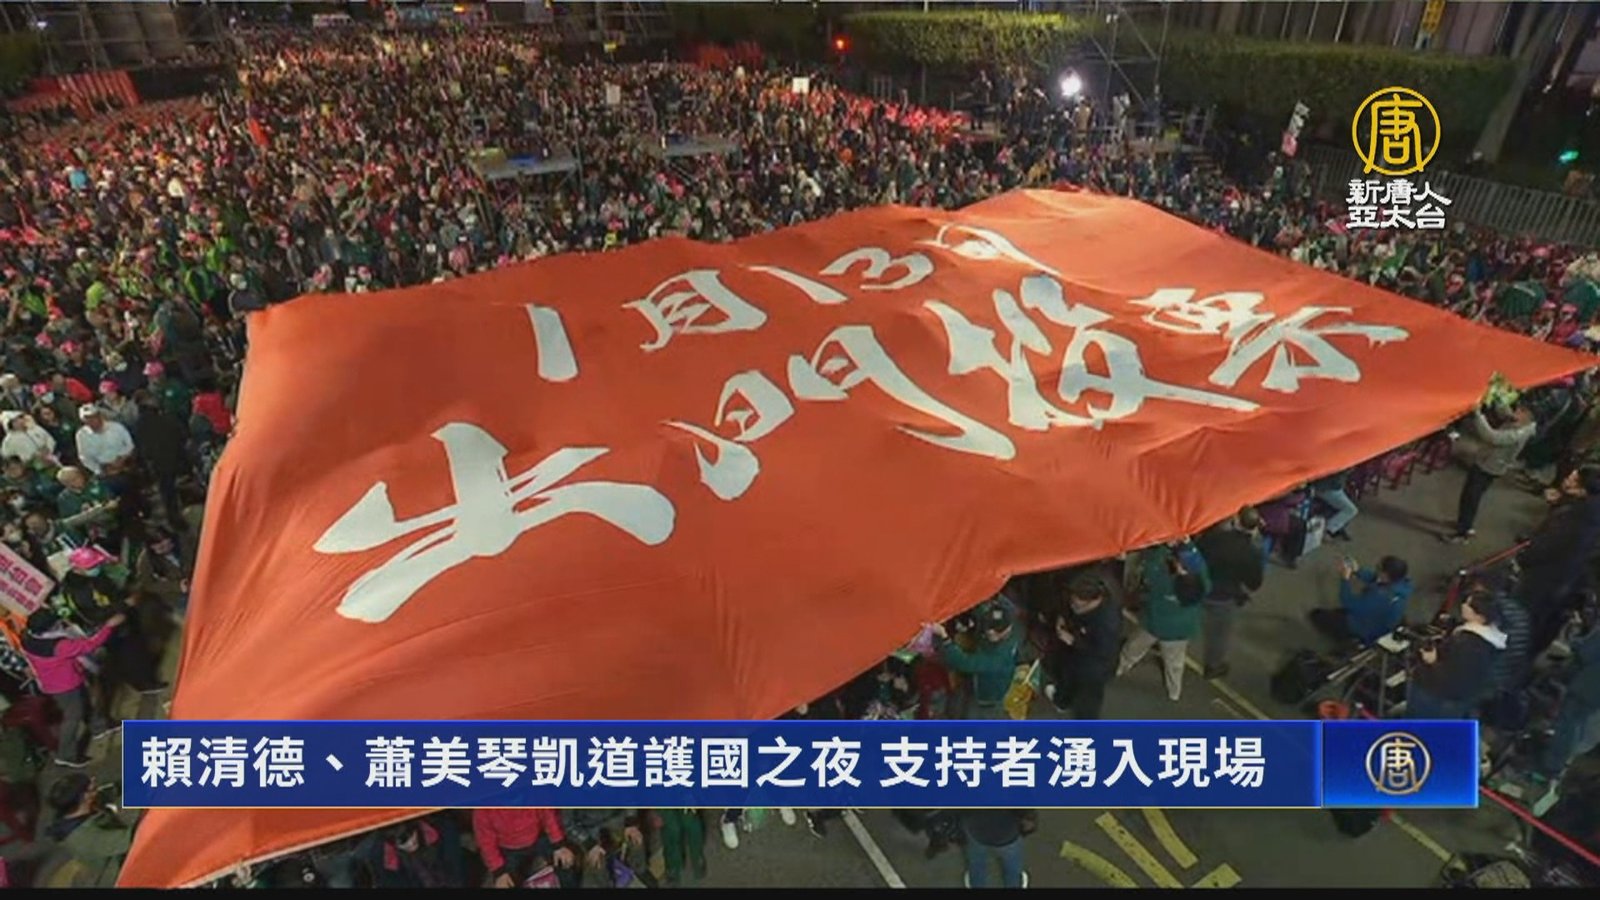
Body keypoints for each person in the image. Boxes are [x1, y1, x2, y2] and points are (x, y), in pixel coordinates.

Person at [18, 608, 122, 767]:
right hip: (65, 686)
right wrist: (109, 626)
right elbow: (89, 645)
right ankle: (65, 755)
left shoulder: (28, 638)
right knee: (73, 716)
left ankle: (99, 727)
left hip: (55, 682)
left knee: (85, 703)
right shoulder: (58, 645)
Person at [1517, 466, 1600, 659]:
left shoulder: (1579, 519)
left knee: (1527, 622)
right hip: (1566, 584)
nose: (1566, 479)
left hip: (1548, 581)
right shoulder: (1586, 512)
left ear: (1582, 489)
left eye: (1572, 478)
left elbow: (1550, 546)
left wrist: (1526, 556)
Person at [1118, 540, 1210, 702]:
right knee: (1174, 663)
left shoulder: (1163, 581)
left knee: (1132, 649)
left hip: (1153, 624)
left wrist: (1162, 548)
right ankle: (1174, 691)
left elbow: (1150, 570)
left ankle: (1119, 668)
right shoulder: (1200, 585)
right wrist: (1188, 545)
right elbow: (1200, 565)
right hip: (1180, 632)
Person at [1406, 590, 1508, 719]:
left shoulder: (1469, 644)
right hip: (1456, 700)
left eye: (1469, 605)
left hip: (1436, 697)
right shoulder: (1488, 637)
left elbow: (1453, 677)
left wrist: (1432, 660)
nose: (1463, 605)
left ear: (1480, 616)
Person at [1446, 402, 1536, 543]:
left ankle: (1463, 532)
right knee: (1471, 496)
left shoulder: (1519, 433)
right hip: (1489, 463)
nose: (1517, 411)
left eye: (1521, 410)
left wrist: (1477, 414)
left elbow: (1493, 437)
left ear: (1528, 417)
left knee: (1471, 497)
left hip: (1488, 467)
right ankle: (1464, 524)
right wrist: (1496, 400)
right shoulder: (1522, 424)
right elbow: (1505, 413)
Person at [1196, 508, 1266, 680]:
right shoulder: (1252, 553)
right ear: (1255, 528)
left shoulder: (1215, 537)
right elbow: (1254, 583)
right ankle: (1213, 666)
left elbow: (1198, 552)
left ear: (1236, 521)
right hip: (1224, 597)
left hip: (1200, 587)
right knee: (1219, 634)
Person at [1042, 573, 1122, 719]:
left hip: (1094, 667)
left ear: (1094, 600)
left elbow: (1103, 651)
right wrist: (1062, 617)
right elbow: (1069, 609)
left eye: (1077, 605)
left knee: (1088, 701)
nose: (1073, 606)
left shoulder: (1107, 623)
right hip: (1075, 655)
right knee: (1066, 676)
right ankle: (1062, 701)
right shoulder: (1082, 601)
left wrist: (1073, 641)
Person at [931, 600, 1022, 718]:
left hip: (988, 691)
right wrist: (970, 624)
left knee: (972, 713)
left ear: (1008, 628)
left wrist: (945, 638)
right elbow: (980, 615)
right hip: (986, 674)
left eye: (997, 630)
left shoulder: (999, 657)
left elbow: (964, 663)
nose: (990, 631)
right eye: (989, 626)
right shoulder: (1007, 630)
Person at [41, 774, 134, 887]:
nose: (96, 786)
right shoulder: (83, 838)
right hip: (118, 870)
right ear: (85, 797)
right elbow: (132, 839)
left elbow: (112, 790)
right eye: (92, 788)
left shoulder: (81, 807)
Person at [1535, 624, 1600, 783]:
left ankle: (1552, 765)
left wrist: (1574, 640)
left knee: (1568, 723)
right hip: (1594, 690)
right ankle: (1562, 761)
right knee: (1579, 723)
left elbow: (1586, 652)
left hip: (1588, 683)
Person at [1310, 555, 1414, 646]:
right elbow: (1375, 579)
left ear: (1385, 575)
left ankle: (1349, 639)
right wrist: (1358, 570)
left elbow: (1348, 602)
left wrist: (1345, 579)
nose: (1376, 569)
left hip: (1366, 628)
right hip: (1382, 623)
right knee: (1338, 613)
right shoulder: (1402, 585)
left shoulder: (1381, 598)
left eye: (1378, 568)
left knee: (1317, 615)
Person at [469, 807, 572, 887]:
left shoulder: (532, 792)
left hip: (538, 838)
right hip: (507, 849)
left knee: (565, 863)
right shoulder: (483, 810)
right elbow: (486, 843)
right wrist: (499, 871)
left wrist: (559, 845)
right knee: (506, 883)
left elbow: (548, 816)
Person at [353, 818, 465, 889]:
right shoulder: (384, 859)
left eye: (411, 834)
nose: (410, 843)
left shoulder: (441, 830)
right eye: (403, 841)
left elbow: (455, 867)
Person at [559, 808, 649, 888]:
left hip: (615, 818)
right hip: (587, 828)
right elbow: (568, 825)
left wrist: (630, 822)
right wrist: (589, 844)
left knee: (636, 839)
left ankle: (640, 871)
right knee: (596, 860)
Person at [957, 808, 1034, 889]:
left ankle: (976, 883)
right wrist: (1029, 818)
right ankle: (1014, 884)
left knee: (977, 863)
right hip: (1008, 832)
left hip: (976, 830)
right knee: (1012, 866)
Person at [72, 404, 135, 481]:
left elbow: (130, 445)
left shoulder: (116, 427)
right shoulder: (81, 435)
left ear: (100, 416)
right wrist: (100, 470)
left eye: (93, 416)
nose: (91, 420)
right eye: (87, 418)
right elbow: (85, 458)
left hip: (125, 463)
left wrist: (122, 458)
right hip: (105, 470)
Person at [1311, 469, 1359, 541]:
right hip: (1327, 488)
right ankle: (1328, 530)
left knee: (1348, 497)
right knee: (1351, 510)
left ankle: (1338, 528)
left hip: (1329, 487)